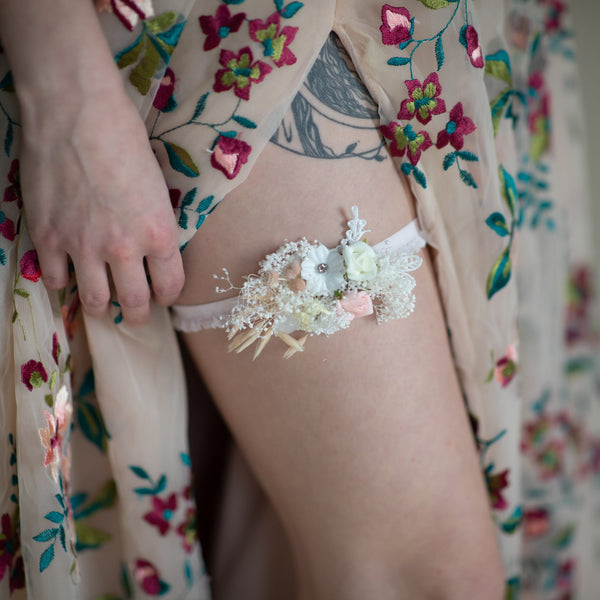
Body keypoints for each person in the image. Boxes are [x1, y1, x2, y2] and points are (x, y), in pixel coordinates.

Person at [0, 1, 597, 599]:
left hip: (438, 32)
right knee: (426, 577)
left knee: (261, 551)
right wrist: (62, 86)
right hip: (228, 38)